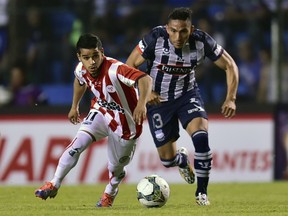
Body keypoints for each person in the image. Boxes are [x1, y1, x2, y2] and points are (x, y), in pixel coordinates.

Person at [126, 7, 239, 206]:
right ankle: (180, 160)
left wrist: (231, 98)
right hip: (158, 101)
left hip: (187, 95)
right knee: (167, 160)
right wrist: (146, 93)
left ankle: (201, 193)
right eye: (174, 31)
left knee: (201, 137)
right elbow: (128, 67)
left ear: (191, 29)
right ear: (168, 29)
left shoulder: (202, 41)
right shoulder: (155, 38)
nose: (178, 36)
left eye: (184, 31)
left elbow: (230, 65)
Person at [34, 33, 152, 207]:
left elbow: (145, 79)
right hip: (101, 112)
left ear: (102, 53)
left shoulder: (115, 70)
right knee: (77, 145)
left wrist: (141, 104)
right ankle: (54, 183)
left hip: (126, 123)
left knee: (116, 169)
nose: (92, 62)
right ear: (79, 57)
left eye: (95, 56)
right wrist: (74, 106)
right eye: (86, 58)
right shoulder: (81, 68)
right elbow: (79, 81)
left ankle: (109, 193)